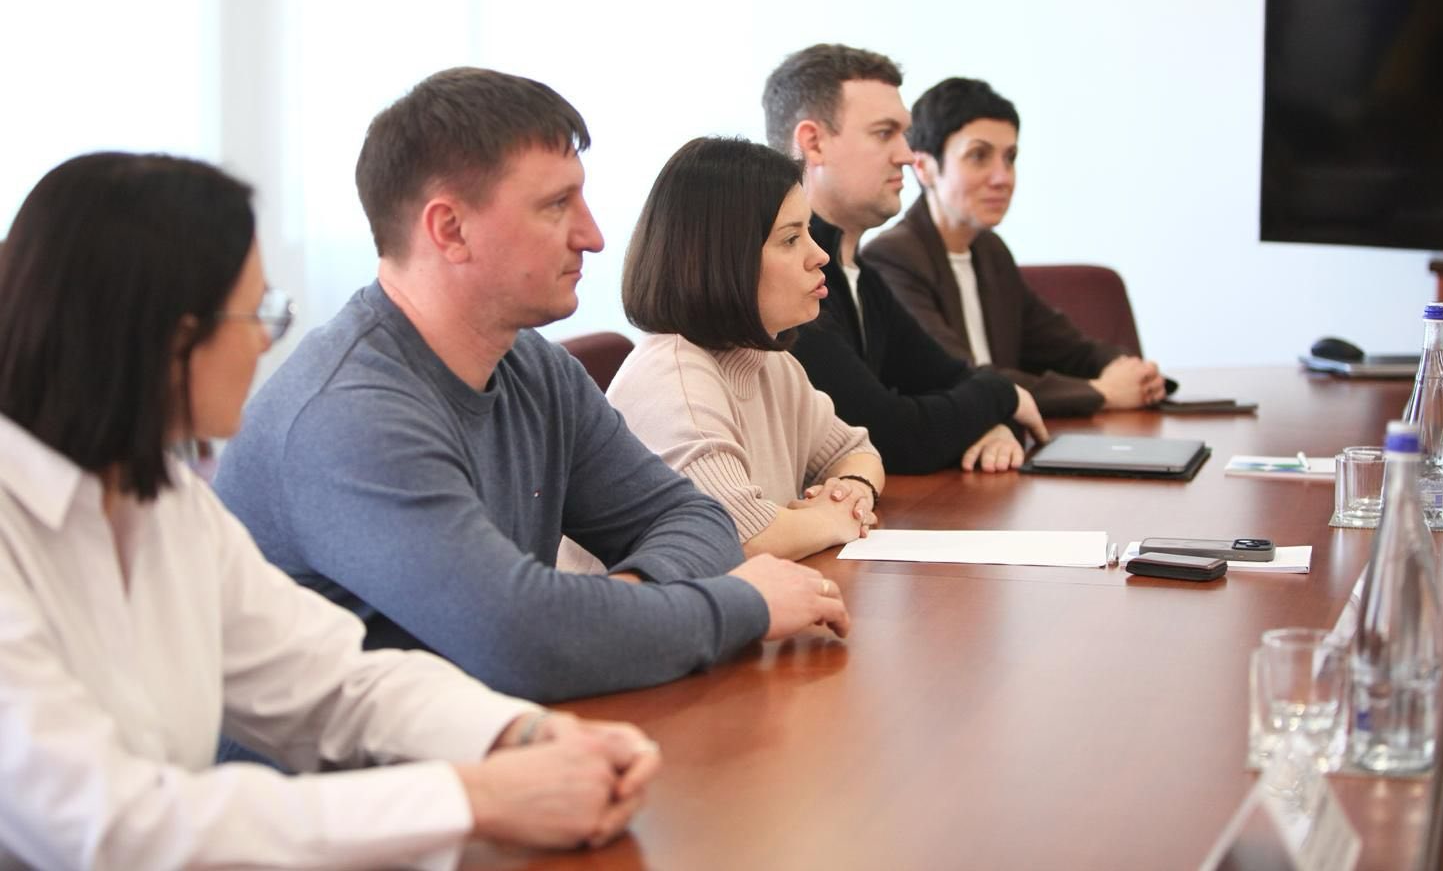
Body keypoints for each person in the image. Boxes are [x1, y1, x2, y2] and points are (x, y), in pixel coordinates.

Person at [0, 152, 662, 869]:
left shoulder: (163, 500)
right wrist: (473, 796)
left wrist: (521, 735)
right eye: (255, 314)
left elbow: (329, 680)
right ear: (165, 337)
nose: (266, 341)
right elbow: (112, 826)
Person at [214, 68, 850, 707]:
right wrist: (740, 604)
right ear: (449, 229)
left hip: (493, 737)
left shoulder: (533, 368)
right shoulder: (350, 416)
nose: (593, 236)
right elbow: (521, 642)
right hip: (360, 769)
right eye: (556, 206)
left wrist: (598, 615)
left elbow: (697, 520)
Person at [559, 137, 883, 573]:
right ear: (724, 258)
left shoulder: (767, 361)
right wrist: (834, 518)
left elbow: (856, 450)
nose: (819, 255)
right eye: (791, 239)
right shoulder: (674, 379)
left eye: (808, 231)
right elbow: (740, 540)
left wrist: (852, 491)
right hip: (630, 617)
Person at [761, 44, 1049, 475]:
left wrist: (990, 421)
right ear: (813, 143)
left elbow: (953, 381)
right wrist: (1003, 397)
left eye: (904, 134)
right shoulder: (780, 277)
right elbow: (889, 434)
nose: (908, 155)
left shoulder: (862, 276)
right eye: (884, 133)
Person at [862, 78, 1167, 416]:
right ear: (924, 167)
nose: (1002, 177)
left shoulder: (990, 250)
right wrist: (1102, 392)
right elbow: (960, 379)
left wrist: (1128, 370)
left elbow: (1065, 347)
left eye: (1010, 158)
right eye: (978, 156)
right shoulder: (892, 258)